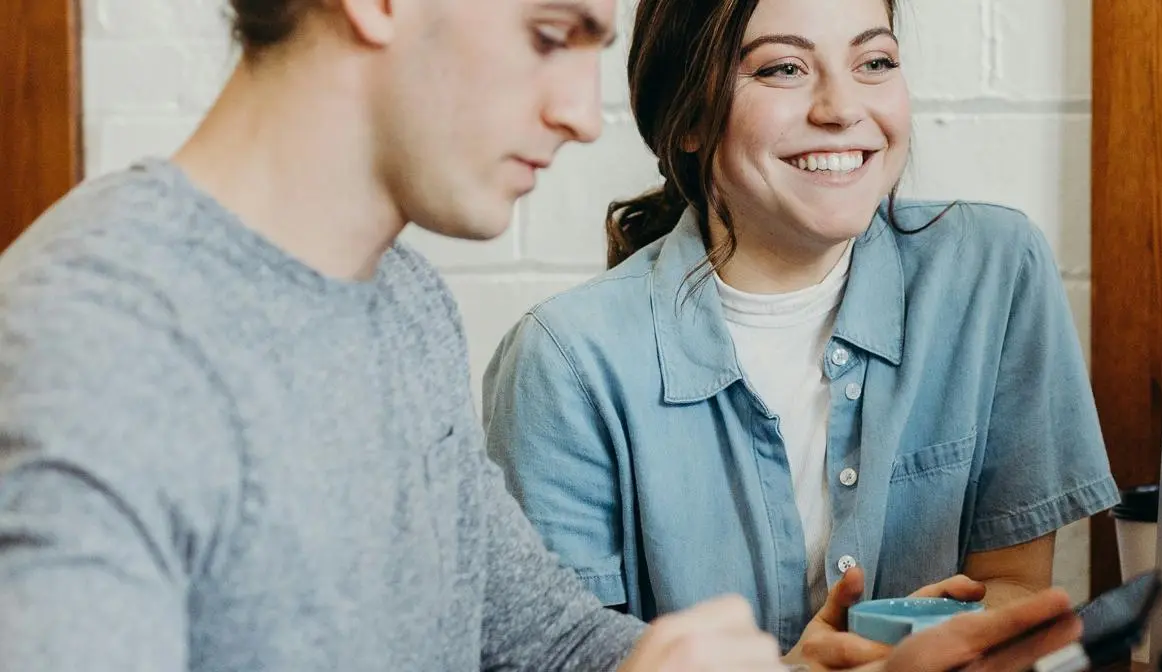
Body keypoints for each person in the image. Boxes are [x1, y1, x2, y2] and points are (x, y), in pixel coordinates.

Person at [0, 0, 1082, 669]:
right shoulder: (91, 345)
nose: (579, 113)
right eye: (549, 33)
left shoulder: (399, 305)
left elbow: (551, 646)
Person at [482, 0, 1119, 663]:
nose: (842, 108)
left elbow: (1013, 584)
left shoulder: (994, 271)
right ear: (690, 118)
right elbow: (558, 654)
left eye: (874, 61)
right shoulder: (563, 361)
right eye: (784, 68)